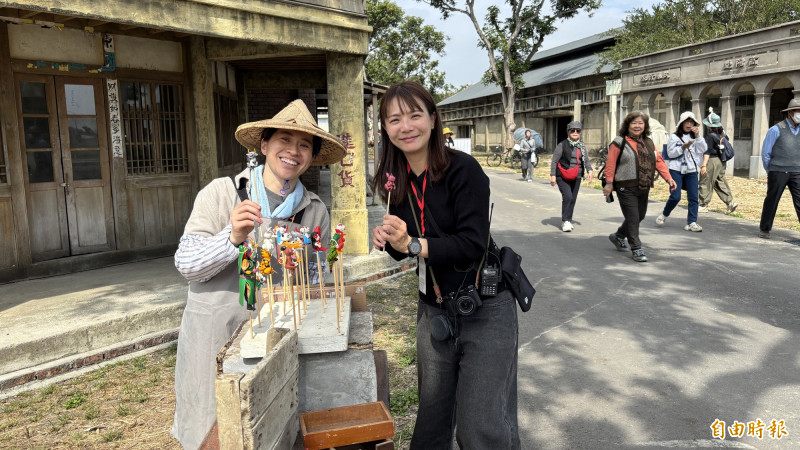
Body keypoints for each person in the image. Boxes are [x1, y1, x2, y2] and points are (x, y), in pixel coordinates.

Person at [171, 100, 345, 448]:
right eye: (284, 139)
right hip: (216, 341)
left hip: (276, 344)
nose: (294, 151)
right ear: (263, 146)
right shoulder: (222, 194)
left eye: (304, 145)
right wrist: (233, 237)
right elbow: (187, 263)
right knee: (215, 434)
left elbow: (316, 281)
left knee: (273, 431)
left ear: (311, 156)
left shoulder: (314, 211)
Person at [371, 81, 519, 449]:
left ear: (433, 119)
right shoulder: (395, 182)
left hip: (484, 308)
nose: (406, 127)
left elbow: (471, 244)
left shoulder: (463, 170)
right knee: (432, 421)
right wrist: (392, 243)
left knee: (480, 427)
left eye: (415, 115)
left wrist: (413, 243)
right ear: (385, 129)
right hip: (434, 309)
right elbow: (408, 251)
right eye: (394, 120)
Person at [603, 111, 676, 262]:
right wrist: (609, 183)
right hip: (625, 186)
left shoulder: (648, 142)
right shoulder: (619, 142)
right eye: (634, 123)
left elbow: (658, 161)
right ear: (627, 125)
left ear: (645, 125)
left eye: (640, 123)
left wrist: (668, 178)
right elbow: (610, 164)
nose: (637, 126)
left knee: (639, 216)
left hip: (643, 185)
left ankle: (618, 236)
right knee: (633, 218)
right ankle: (636, 248)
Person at [655, 111, 707, 232]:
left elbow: (703, 149)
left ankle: (692, 222)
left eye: (692, 122)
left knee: (694, 197)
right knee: (675, 196)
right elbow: (671, 153)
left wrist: (698, 136)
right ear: (682, 124)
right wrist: (683, 147)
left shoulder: (696, 137)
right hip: (676, 169)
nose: (689, 124)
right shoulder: (674, 137)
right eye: (687, 122)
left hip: (691, 170)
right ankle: (664, 214)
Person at [758, 97, 800, 239]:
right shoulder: (776, 129)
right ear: (790, 113)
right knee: (772, 199)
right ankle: (765, 228)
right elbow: (766, 153)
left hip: (797, 171)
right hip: (778, 170)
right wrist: (770, 169)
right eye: (797, 111)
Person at [549, 121, 593, 232]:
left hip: (577, 176)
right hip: (562, 175)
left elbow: (586, 160)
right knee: (567, 197)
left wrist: (590, 171)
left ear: (580, 133)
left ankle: (568, 220)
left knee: (573, 199)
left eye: (577, 131)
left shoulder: (582, 146)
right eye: (572, 130)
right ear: (568, 132)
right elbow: (554, 161)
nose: (575, 132)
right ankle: (565, 221)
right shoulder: (562, 145)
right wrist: (553, 175)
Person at [699, 108, 738, 214]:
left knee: (705, 181)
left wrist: (704, 165)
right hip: (722, 160)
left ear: (709, 125)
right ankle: (730, 202)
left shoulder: (710, 136)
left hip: (712, 160)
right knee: (719, 181)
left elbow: (707, 152)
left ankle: (703, 205)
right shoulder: (722, 133)